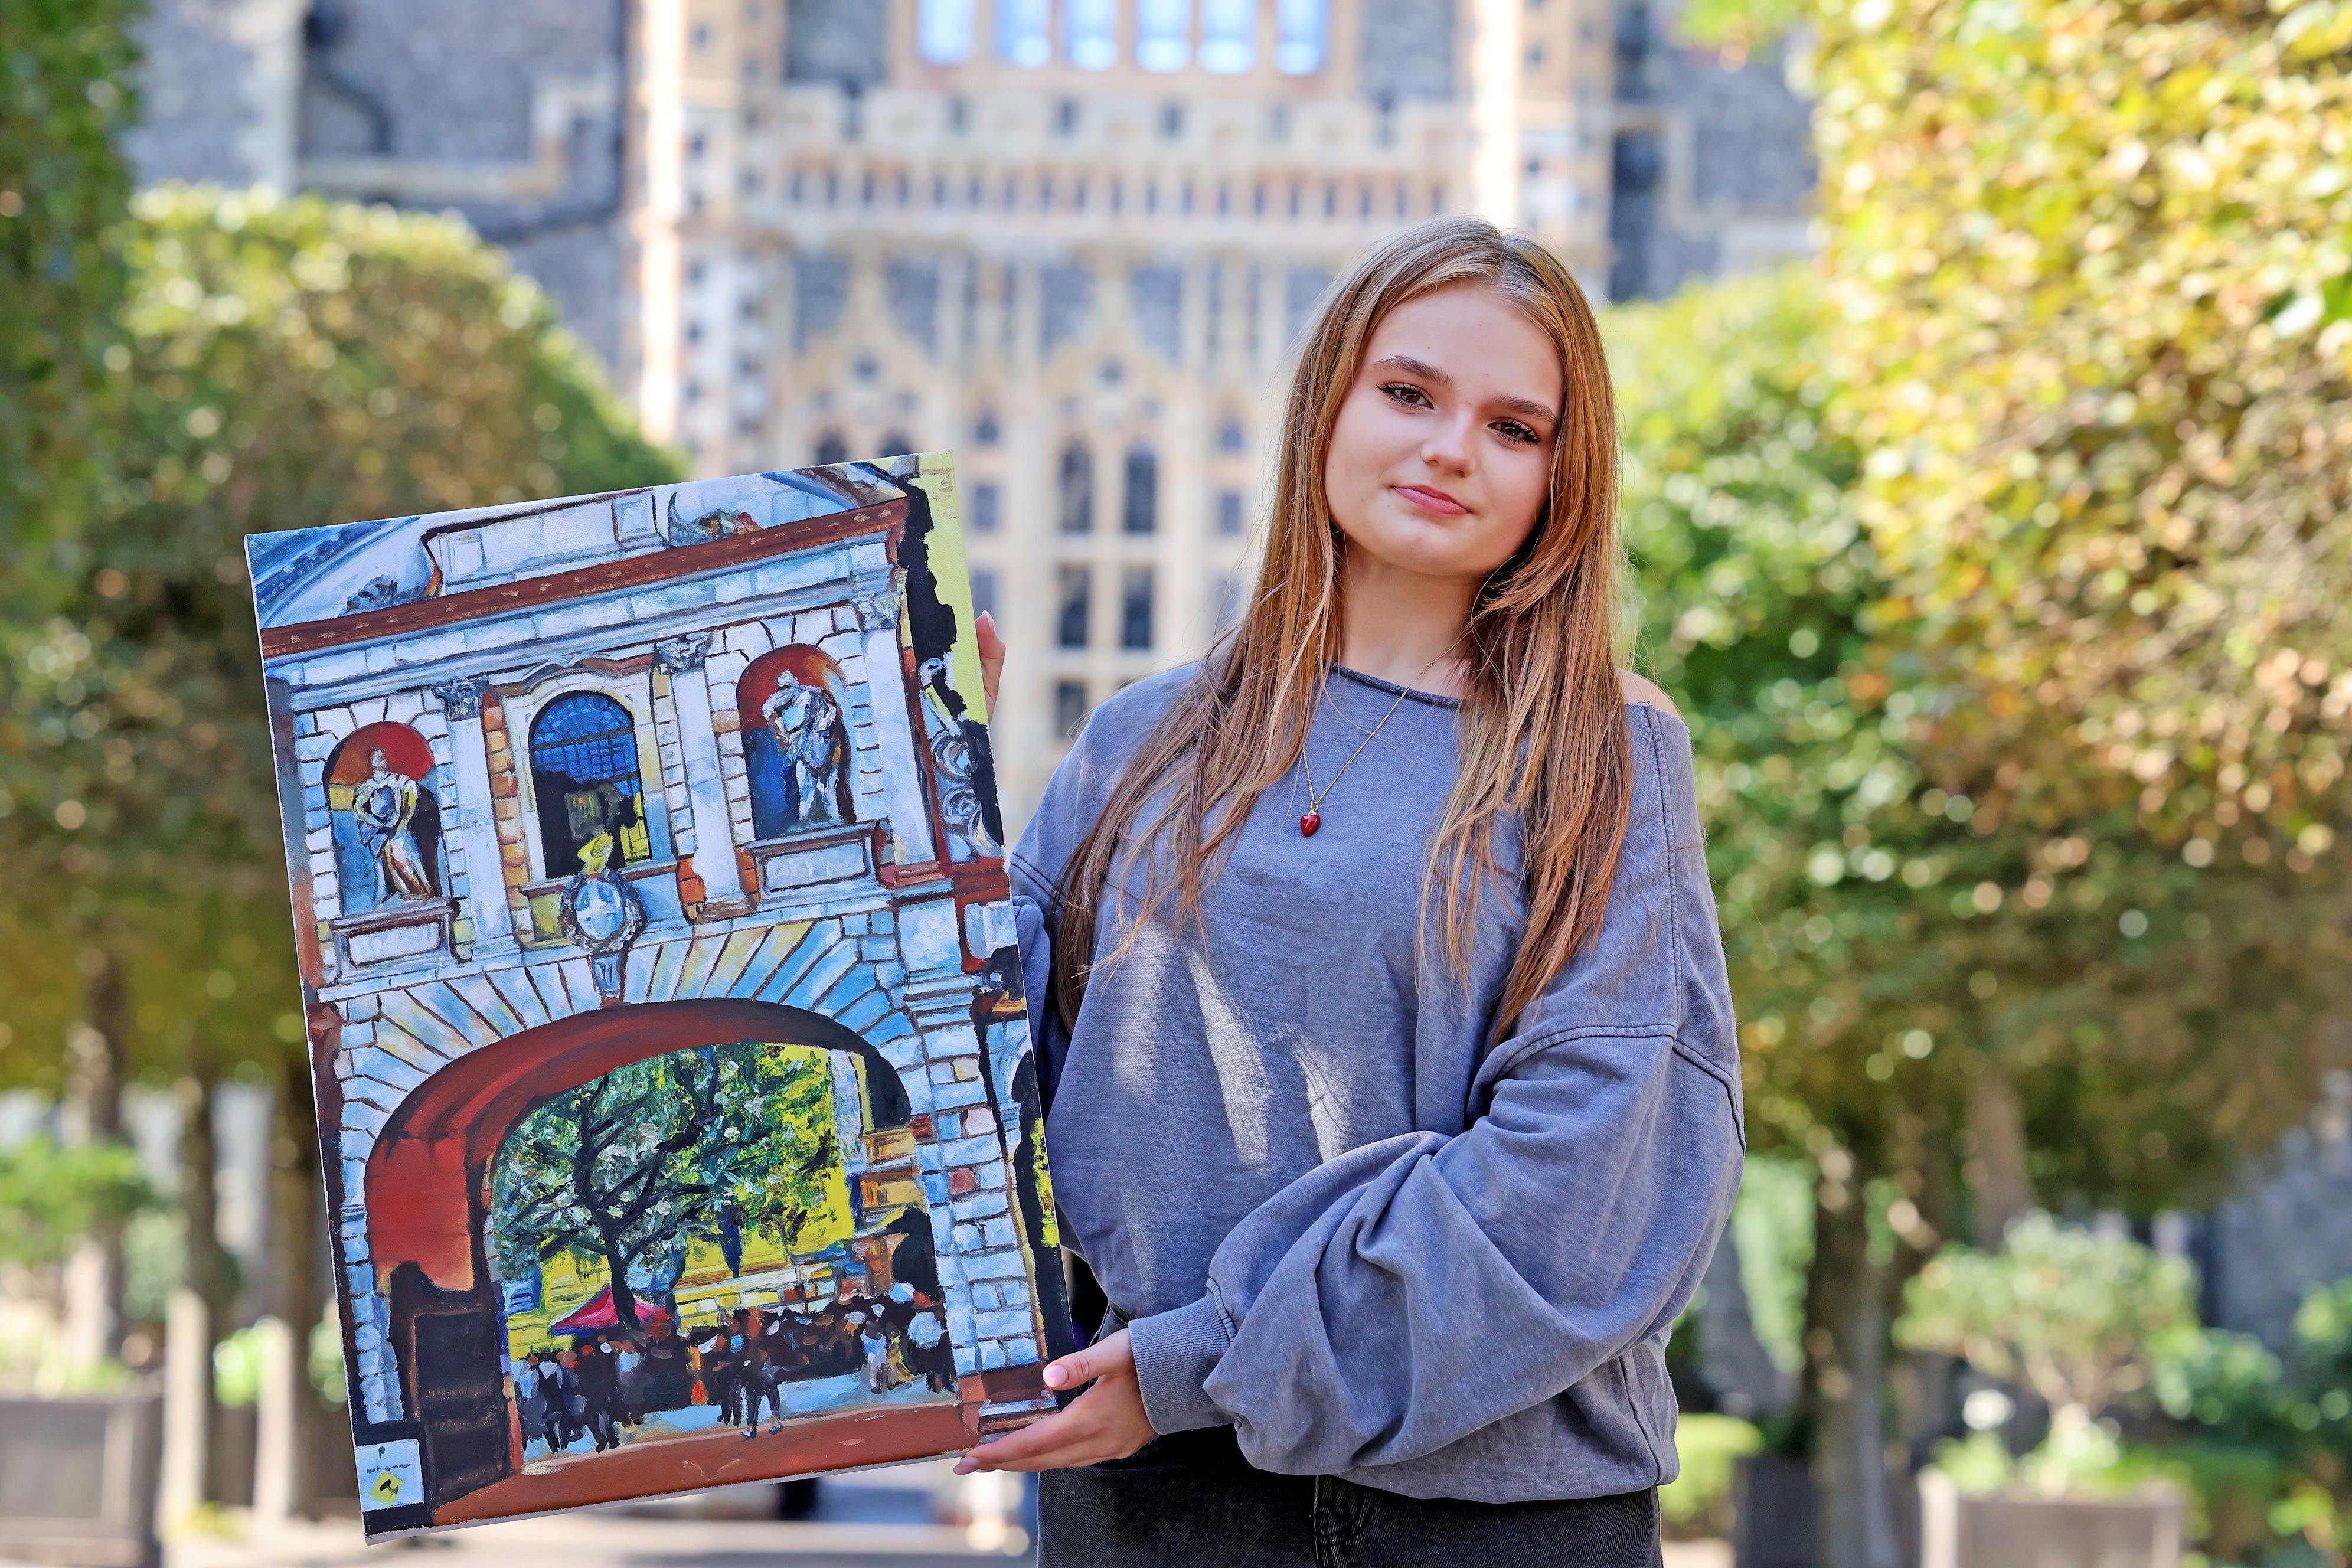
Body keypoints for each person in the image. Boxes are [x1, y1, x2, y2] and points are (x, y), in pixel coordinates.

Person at [952, 215, 1745, 1568]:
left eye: (1515, 427)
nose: (1450, 446)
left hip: (1486, 1516)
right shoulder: (1141, 740)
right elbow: (967, 1102)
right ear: (1328, 401)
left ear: (1564, 475)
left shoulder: (1607, 758)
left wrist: (1198, 1361)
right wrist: (915, 817)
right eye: (1411, 393)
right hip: (1153, 1503)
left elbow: (1588, 1183)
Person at [576, 1334, 624, 1453]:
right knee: (595, 1418)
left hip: (601, 1393)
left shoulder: (601, 1361)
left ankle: (608, 1440)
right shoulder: (597, 1361)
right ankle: (606, 1440)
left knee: (601, 1418)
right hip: (595, 1394)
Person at [511, 1352, 551, 1455]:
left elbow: (535, 1389)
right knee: (524, 1425)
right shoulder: (521, 1368)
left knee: (531, 1424)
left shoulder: (535, 1373)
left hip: (532, 1403)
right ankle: (524, 1447)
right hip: (524, 1403)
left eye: (537, 1360)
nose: (535, 1362)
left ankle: (528, 1446)